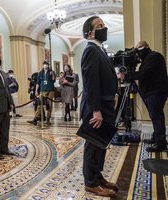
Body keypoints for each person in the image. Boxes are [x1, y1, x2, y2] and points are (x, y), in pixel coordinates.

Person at [80, 16, 119, 197]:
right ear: (89, 32)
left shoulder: (100, 49)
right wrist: (96, 110)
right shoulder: (90, 50)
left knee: (101, 144)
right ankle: (90, 182)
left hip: (106, 103)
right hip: (97, 107)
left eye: (104, 25)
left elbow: (107, 77)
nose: (104, 28)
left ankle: (98, 176)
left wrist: (115, 95)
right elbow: (91, 83)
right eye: (99, 26)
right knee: (93, 145)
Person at [134, 41, 168, 152]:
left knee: (157, 117)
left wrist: (128, 75)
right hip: (152, 92)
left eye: (140, 48)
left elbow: (143, 74)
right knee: (155, 116)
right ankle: (157, 138)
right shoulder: (147, 59)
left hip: (156, 92)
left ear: (147, 46)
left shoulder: (154, 57)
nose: (138, 51)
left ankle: (161, 144)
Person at [27, 61, 56, 126]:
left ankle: (48, 119)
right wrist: (36, 91)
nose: (45, 65)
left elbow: (53, 80)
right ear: (43, 65)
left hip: (50, 90)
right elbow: (38, 83)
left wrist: (52, 74)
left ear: (48, 65)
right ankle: (35, 119)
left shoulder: (51, 72)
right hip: (42, 90)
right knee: (40, 104)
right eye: (44, 64)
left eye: (46, 64)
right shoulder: (40, 73)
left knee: (49, 105)